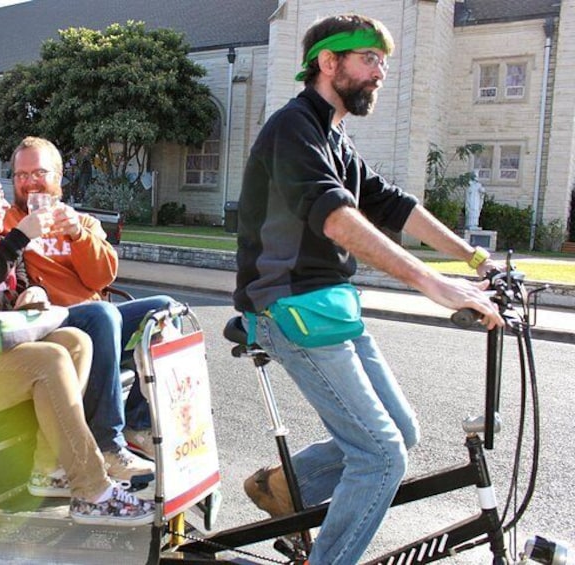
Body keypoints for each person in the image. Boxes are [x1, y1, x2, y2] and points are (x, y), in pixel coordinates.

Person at [234, 13, 504, 565]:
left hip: (328, 308)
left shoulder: (333, 134)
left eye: (383, 61)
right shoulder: (293, 128)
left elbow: (392, 205)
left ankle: (285, 487)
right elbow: (337, 218)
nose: (380, 73)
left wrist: (475, 260)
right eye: (369, 59)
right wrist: (434, 284)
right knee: (381, 456)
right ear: (328, 63)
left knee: (402, 431)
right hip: (286, 308)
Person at [0, 138, 170, 484]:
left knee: (164, 310)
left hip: (64, 318)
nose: (27, 183)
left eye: (39, 172)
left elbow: (102, 276)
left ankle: (136, 425)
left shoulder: (79, 221)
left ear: (58, 176)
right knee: (101, 318)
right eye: (20, 175)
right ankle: (103, 454)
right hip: (49, 321)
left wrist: (77, 237)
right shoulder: (4, 222)